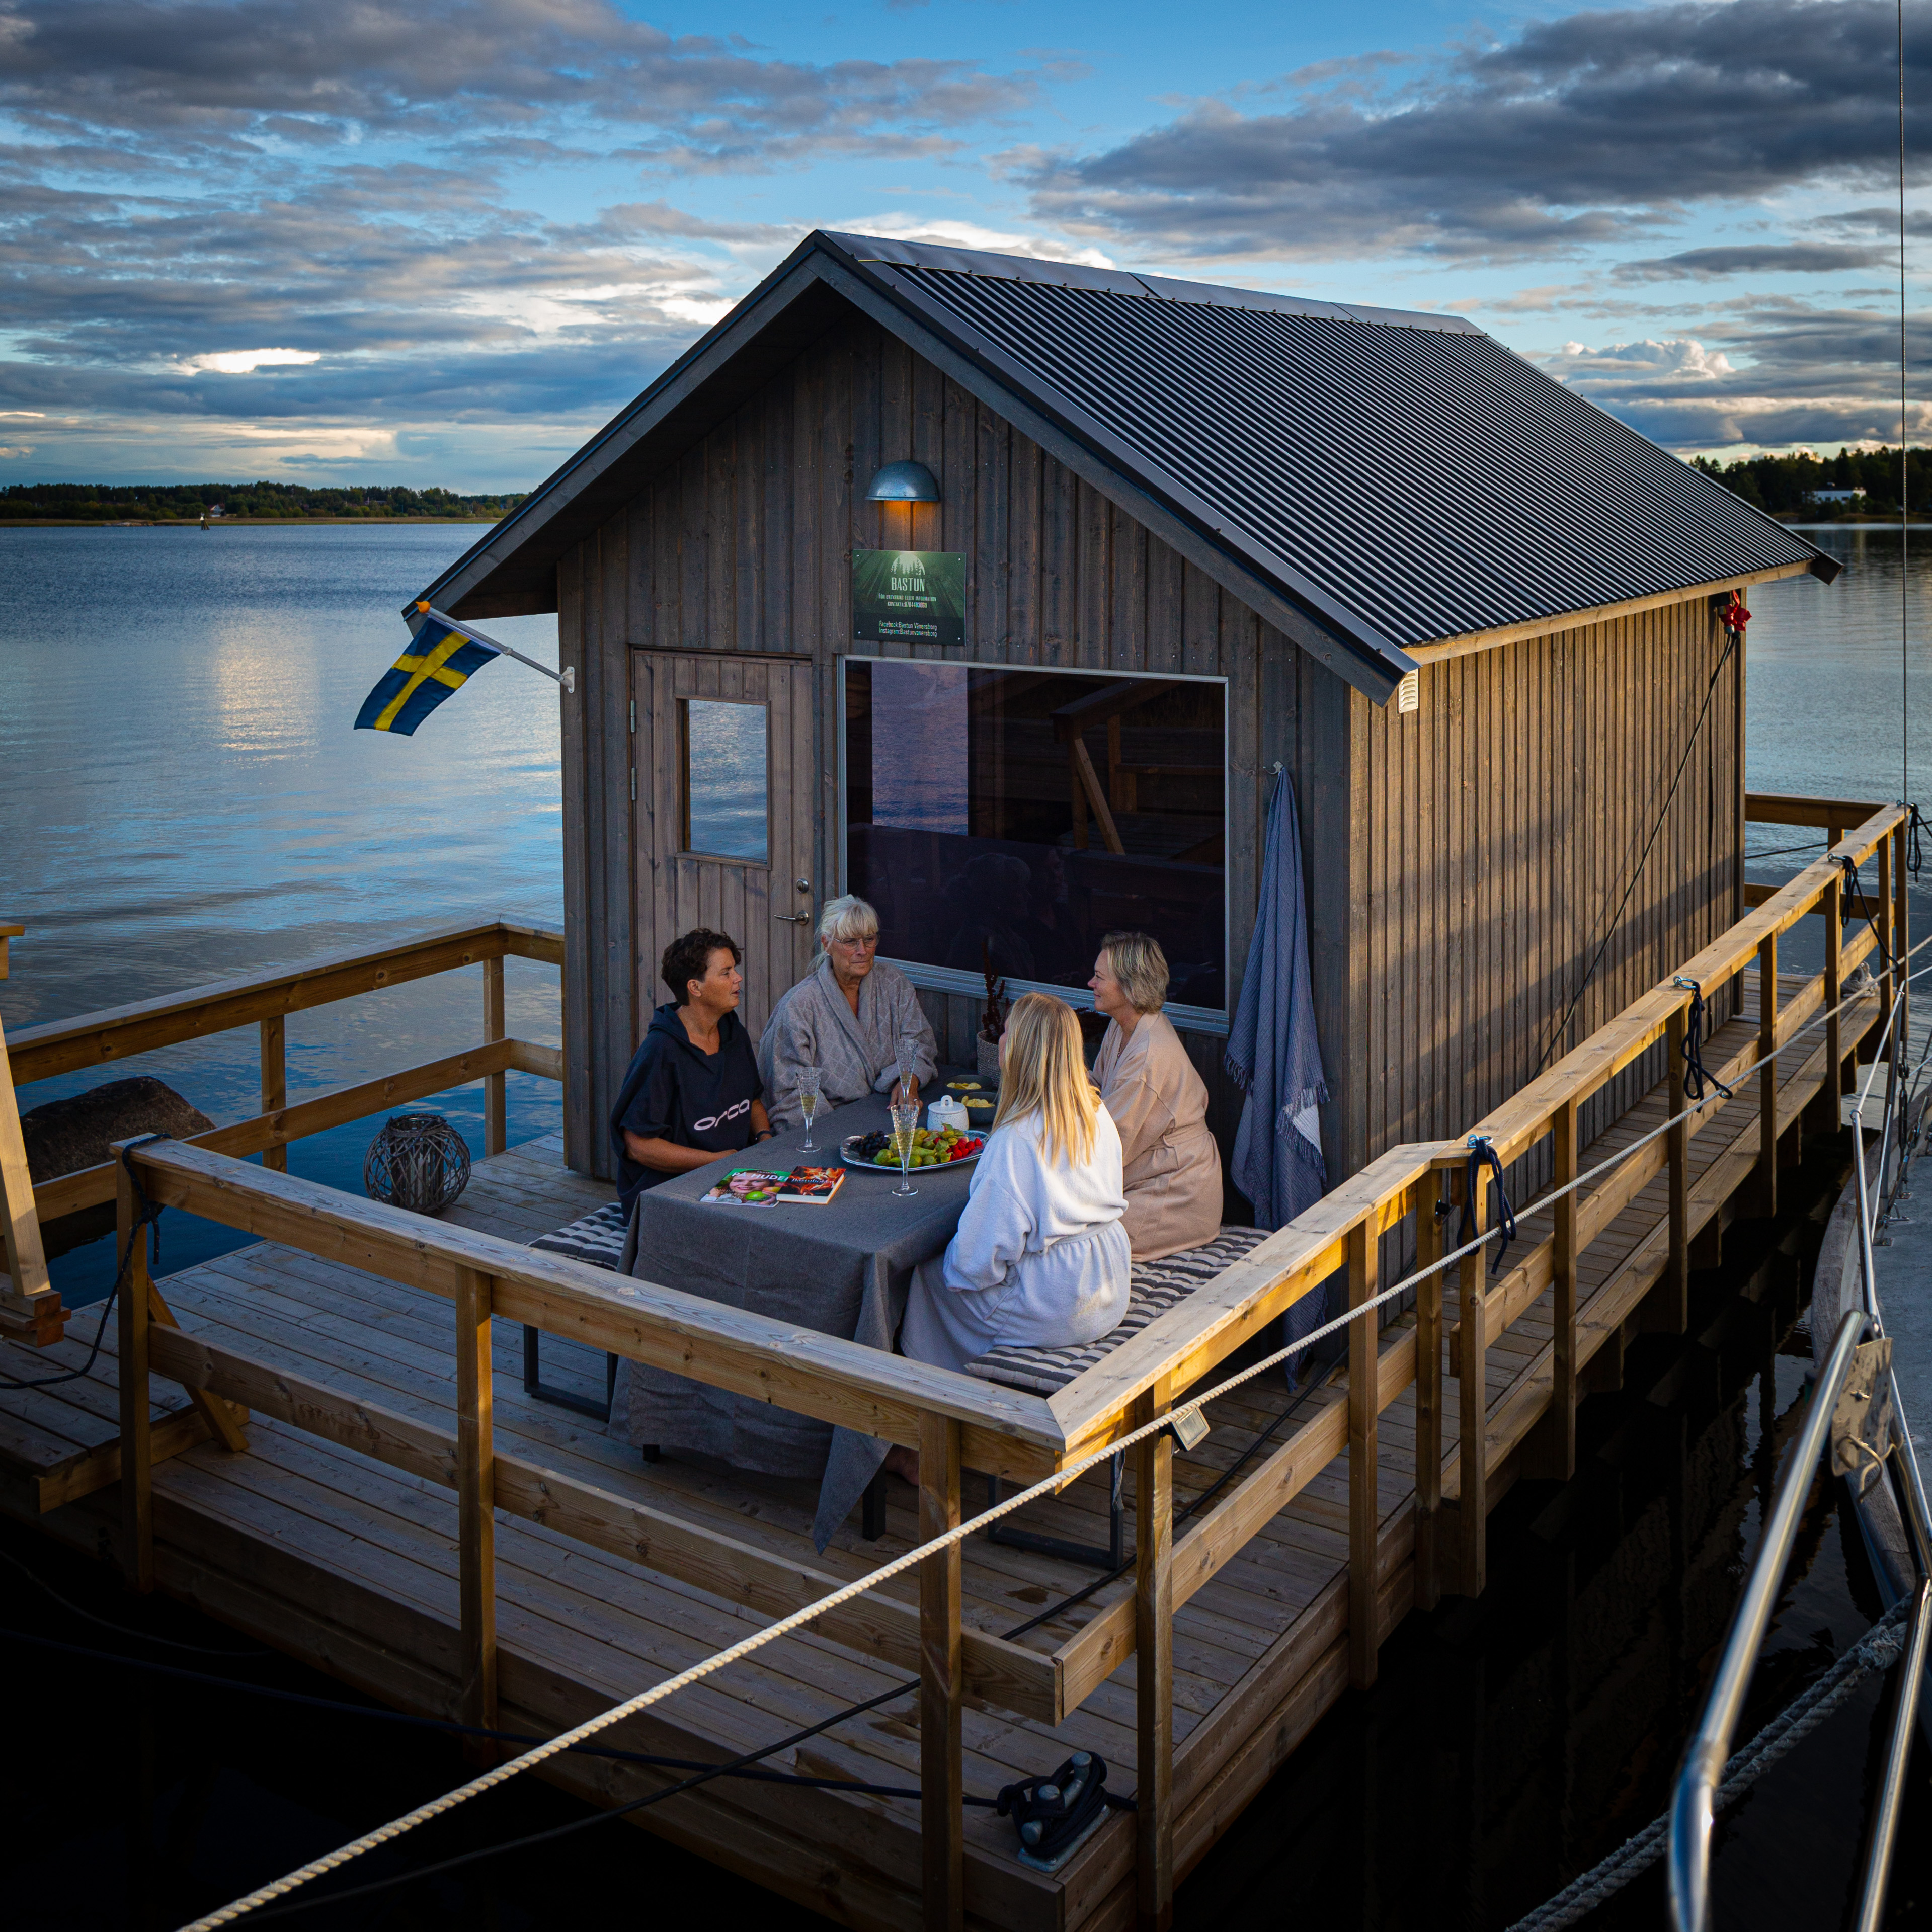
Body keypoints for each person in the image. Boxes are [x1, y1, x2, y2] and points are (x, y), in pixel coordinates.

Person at [893, 993, 1130, 1473]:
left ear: (1021, 1052)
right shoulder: (1094, 1112)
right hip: (1107, 1286)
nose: (999, 1042)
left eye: (1006, 1036)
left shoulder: (1017, 1139)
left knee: (925, 1282)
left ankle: (930, 1443)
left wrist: (949, 1264)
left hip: (1057, 1303)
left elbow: (978, 1261)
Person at [610, 927, 775, 1216]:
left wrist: (763, 1137)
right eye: (725, 973)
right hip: (669, 1190)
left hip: (732, 1177)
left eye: (734, 970)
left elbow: (752, 1101)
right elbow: (638, 1146)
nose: (738, 979)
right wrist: (714, 1161)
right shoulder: (661, 1051)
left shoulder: (732, 1032)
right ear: (695, 988)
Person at [1088, 931, 1224, 1260]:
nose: (1091, 983)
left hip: (1176, 1192)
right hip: (1145, 1175)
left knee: (1081, 1242)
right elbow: (1096, 1087)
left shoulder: (1149, 1054)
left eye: (1099, 977)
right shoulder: (1123, 1026)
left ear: (1130, 986)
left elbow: (1110, 1145)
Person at [757, 895, 936, 1129]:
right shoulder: (799, 1005)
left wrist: (909, 1080)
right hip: (831, 1123)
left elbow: (920, 1042)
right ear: (826, 944)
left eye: (869, 939)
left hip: (891, 1111)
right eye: (850, 941)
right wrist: (842, 1134)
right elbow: (788, 1093)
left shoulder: (893, 982)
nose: (862, 951)